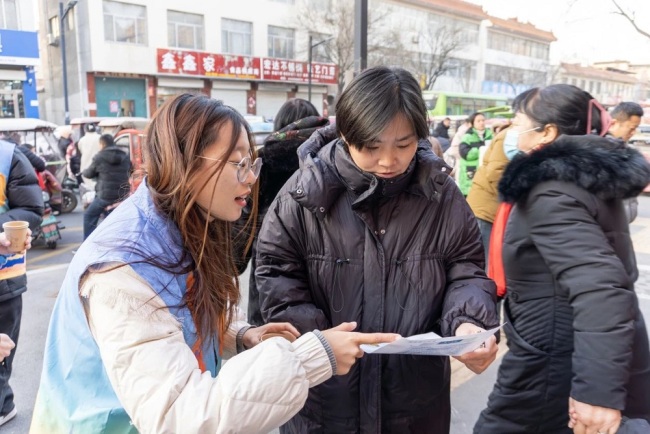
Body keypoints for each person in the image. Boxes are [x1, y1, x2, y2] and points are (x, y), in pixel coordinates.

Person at [30, 94, 398, 434]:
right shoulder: (122, 271)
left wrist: (237, 336)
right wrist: (312, 358)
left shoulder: (177, 225)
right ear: (186, 164)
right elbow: (179, 414)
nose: (252, 177)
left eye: (250, 162)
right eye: (238, 163)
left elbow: (171, 324)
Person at [256, 66, 499, 433]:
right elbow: (276, 274)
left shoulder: (441, 195)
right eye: (371, 147)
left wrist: (467, 323)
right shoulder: (304, 193)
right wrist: (322, 344)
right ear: (346, 134)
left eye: (403, 145)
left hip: (415, 399)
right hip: (325, 399)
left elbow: (465, 268)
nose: (388, 161)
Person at [475, 84, 650, 434]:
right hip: (564, 344)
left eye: (519, 121)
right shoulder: (583, 178)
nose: (512, 130)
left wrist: (597, 392)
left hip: (553, 354)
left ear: (548, 132)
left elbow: (601, 287)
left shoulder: (551, 191)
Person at [234, 98, 328, 326]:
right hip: (328, 286)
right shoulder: (333, 156)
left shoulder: (263, 162)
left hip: (270, 289)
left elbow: (237, 251)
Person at [0, 139, 43, 427]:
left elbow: (31, 210)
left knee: (3, 347)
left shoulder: (7, 156)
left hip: (4, 275)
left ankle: (3, 404)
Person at [465, 125, 510, 263]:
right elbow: (495, 173)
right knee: (483, 261)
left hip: (493, 208)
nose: (482, 123)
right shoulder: (508, 137)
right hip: (485, 209)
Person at [81, 134, 130, 239]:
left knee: (89, 216)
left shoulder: (99, 157)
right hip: (123, 195)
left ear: (102, 144)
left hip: (105, 197)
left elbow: (89, 173)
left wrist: (83, 172)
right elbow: (131, 170)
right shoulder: (125, 156)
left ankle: (88, 245)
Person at [608, 101, 645, 222]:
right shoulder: (600, 154)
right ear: (614, 123)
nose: (633, 133)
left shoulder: (626, 151)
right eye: (631, 128)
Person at [458, 112, 493, 196]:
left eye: (483, 120)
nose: (481, 123)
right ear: (472, 123)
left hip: (486, 172)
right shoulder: (467, 137)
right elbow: (465, 153)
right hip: (470, 172)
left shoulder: (491, 135)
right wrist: (482, 150)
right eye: (478, 121)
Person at [77, 123, 101, 189]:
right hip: (98, 167)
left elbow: (80, 150)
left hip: (85, 167)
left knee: (89, 189)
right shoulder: (100, 138)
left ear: (85, 130)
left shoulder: (81, 140)